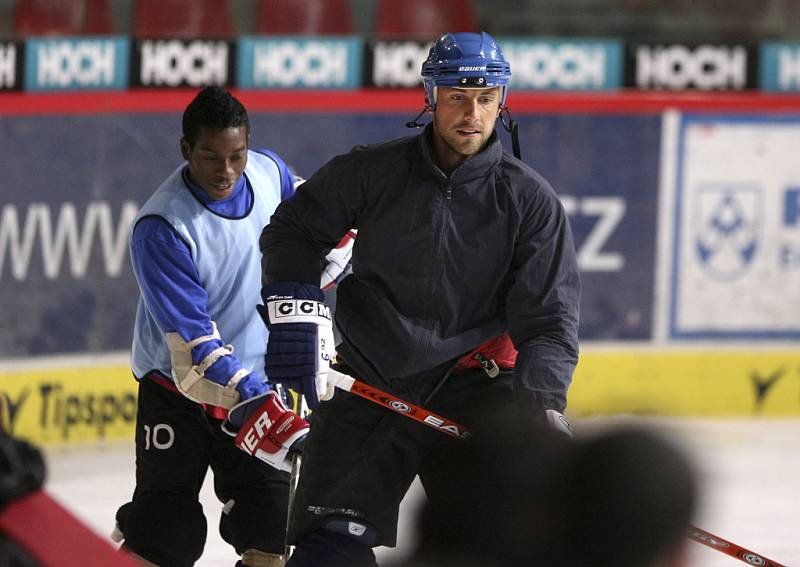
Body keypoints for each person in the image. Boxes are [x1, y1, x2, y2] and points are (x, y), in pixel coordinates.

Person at [257, 31, 581, 566]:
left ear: (503, 100)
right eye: (456, 95)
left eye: (485, 97)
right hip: (370, 381)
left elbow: (547, 321)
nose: (471, 112)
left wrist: (542, 403)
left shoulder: (530, 202)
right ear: (430, 96)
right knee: (327, 551)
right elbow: (294, 232)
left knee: (504, 548)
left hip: (479, 390)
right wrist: (297, 314)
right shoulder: (370, 172)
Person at [114, 86, 312, 567]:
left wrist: (342, 241)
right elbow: (195, 351)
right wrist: (260, 401)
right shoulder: (162, 227)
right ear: (186, 150)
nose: (226, 170)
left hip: (257, 386)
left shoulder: (267, 172)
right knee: (166, 537)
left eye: (235, 156)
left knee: (270, 538)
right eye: (211, 156)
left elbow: (312, 212)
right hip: (178, 389)